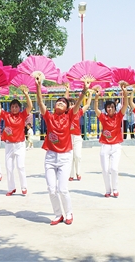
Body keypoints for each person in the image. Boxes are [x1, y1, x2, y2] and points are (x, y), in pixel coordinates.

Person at [36, 75, 87, 225]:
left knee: (62, 189)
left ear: (66, 108)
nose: (60, 103)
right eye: (58, 101)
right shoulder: (49, 117)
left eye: (63, 102)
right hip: (50, 157)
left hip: (65, 157)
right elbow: (39, 102)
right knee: (52, 189)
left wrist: (84, 91)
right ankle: (58, 214)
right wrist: (39, 86)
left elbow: (77, 104)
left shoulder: (70, 116)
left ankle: (69, 212)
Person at [0, 85, 32, 196]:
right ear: (10, 108)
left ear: (19, 108)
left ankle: (24, 187)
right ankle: (11, 188)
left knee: (21, 166)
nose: (14, 108)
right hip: (9, 145)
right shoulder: (6, 115)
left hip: (20, 145)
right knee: (9, 168)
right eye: (12, 106)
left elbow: (29, 106)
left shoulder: (22, 115)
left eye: (16, 106)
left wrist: (26, 95)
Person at [93, 83, 128, 198]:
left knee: (114, 168)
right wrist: (97, 97)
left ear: (115, 107)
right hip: (105, 146)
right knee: (105, 169)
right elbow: (96, 108)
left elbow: (125, 105)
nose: (110, 108)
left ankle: (115, 188)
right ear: (106, 109)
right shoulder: (103, 117)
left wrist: (125, 92)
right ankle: (108, 190)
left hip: (116, 146)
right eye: (108, 107)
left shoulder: (119, 116)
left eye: (112, 107)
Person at [64, 85, 93, 181]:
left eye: (73, 103)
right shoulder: (66, 113)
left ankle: (78, 172)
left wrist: (90, 95)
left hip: (77, 137)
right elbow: (64, 100)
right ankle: (71, 175)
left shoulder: (79, 112)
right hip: (68, 137)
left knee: (78, 155)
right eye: (70, 104)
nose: (72, 105)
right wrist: (67, 90)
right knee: (70, 156)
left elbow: (87, 105)